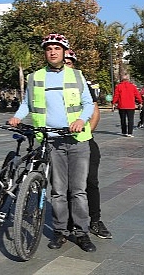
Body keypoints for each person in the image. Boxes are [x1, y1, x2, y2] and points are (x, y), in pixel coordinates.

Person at [9, 33, 96, 252]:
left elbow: (88, 104)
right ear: (45, 53)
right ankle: (60, 231)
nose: (53, 52)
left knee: (78, 190)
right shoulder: (35, 77)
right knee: (57, 191)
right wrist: (17, 117)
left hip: (77, 141)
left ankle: (82, 232)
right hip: (52, 141)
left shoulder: (76, 75)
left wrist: (80, 119)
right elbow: (27, 104)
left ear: (64, 51)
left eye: (57, 48)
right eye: (49, 49)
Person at [64, 50, 112, 239]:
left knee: (90, 181)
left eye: (70, 61)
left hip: (84, 141)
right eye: (64, 61)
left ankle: (94, 221)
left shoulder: (81, 82)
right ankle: (67, 223)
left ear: (73, 64)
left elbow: (95, 111)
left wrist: (87, 133)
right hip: (60, 142)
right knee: (64, 184)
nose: (66, 64)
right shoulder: (50, 84)